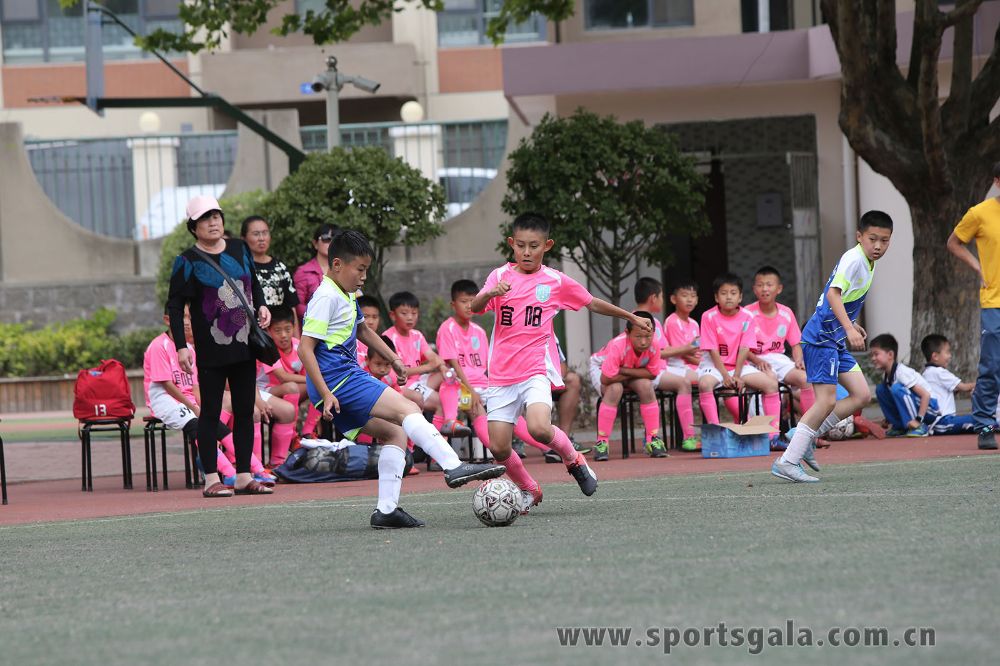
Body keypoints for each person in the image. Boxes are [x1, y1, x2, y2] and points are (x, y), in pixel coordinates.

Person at [297, 229, 506, 529]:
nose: (363, 277)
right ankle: (453, 465)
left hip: (338, 383)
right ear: (338, 264)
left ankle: (386, 511)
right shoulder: (326, 296)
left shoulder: (345, 292)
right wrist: (326, 392)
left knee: (396, 433)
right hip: (339, 380)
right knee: (409, 409)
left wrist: (394, 359)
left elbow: (363, 330)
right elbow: (305, 348)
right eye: (360, 269)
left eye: (367, 270)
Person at [471, 212, 653, 501]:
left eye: (534, 246)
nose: (526, 252)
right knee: (499, 447)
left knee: (539, 428)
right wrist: (490, 292)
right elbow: (475, 307)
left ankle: (574, 460)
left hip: (535, 370)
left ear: (547, 245)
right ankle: (529, 488)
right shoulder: (499, 276)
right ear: (511, 243)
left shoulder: (555, 281)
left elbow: (592, 303)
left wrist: (631, 316)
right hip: (501, 376)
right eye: (521, 245)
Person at [772, 210, 894, 483]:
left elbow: (842, 299)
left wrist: (851, 324)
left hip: (834, 339)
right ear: (859, 236)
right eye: (872, 239)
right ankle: (787, 461)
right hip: (821, 339)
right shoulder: (854, 259)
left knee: (861, 395)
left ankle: (804, 438)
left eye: (884, 241)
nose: (878, 245)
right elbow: (832, 294)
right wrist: (848, 328)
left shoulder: (867, 261)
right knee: (826, 401)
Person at [167, 194, 274, 497]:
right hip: (211, 348)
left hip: (245, 343)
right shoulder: (186, 261)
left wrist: (262, 305)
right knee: (211, 412)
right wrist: (181, 346)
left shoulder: (240, 249)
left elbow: (253, 283)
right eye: (205, 218)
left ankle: (243, 476)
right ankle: (211, 478)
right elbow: (175, 306)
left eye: (216, 216)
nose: (213, 222)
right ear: (193, 227)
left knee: (244, 410)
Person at [437, 279, 550, 508]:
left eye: (472, 301)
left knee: (510, 418)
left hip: (486, 384)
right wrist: (471, 390)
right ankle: (490, 450)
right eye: (464, 301)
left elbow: (489, 364)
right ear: (453, 304)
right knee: (478, 411)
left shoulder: (479, 331)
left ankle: (549, 446)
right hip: (460, 386)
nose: (469, 306)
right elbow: (453, 366)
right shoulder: (447, 328)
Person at [143, 305, 240, 487]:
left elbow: (194, 388)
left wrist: (205, 408)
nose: (187, 322)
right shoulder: (158, 346)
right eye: (182, 317)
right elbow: (167, 385)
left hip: (187, 401)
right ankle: (228, 473)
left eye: (189, 317)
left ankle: (251, 469)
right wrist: (194, 407)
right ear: (168, 320)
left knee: (214, 422)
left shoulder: (189, 349)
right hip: (164, 400)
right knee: (199, 426)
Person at [946, 164, 1000, 449]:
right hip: (994, 301)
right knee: (992, 366)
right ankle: (985, 426)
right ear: (997, 182)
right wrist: (977, 266)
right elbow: (954, 243)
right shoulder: (979, 213)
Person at [697, 273, 781, 437]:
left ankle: (773, 436)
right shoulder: (708, 316)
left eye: (733, 293)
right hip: (714, 367)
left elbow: (744, 348)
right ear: (716, 297)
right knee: (705, 384)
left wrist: (736, 375)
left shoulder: (747, 316)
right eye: (724, 293)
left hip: (740, 367)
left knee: (771, 385)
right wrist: (725, 376)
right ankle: (716, 433)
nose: (729, 297)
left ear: (740, 297)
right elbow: (712, 349)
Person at [383, 291, 469, 437]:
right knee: (441, 402)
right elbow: (396, 373)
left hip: (417, 381)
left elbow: (433, 356)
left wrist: (442, 366)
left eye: (414, 313)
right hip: (401, 384)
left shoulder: (417, 335)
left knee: (448, 374)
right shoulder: (388, 337)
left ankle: (450, 421)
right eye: (404, 313)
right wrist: (428, 367)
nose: (410, 317)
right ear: (392, 315)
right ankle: (439, 438)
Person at [589, 311, 667, 460]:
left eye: (648, 336)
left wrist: (625, 370)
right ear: (627, 332)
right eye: (638, 336)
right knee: (615, 389)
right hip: (602, 369)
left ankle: (652, 439)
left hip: (625, 370)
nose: (643, 342)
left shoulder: (654, 344)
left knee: (646, 386)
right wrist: (634, 372)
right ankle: (602, 442)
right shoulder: (618, 345)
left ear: (653, 332)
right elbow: (606, 379)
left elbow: (652, 374)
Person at [636, 277, 700, 451]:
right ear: (653, 298)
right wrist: (688, 348)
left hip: (654, 370)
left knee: (690, 382)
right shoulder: (647, 321)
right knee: (685, 383)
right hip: (650, 371)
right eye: (662, 296)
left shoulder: (644, 319)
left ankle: (678, 437)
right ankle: (687, 437)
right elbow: (661, 352)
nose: (662, 301)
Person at [745, 266, 814, 419]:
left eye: (769, 284)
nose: (765, 289)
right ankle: (771, 428)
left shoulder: (786, 312)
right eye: (760, 285)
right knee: (770, 379)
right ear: (754, 289)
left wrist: (798, 360)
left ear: (779, 288)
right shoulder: (747, 313)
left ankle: (810, 427)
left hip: (779, 359)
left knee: (805, 379)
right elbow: (742, 348)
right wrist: (757, 360)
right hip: (753, 361)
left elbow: (796, 344)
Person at [261, 305, 322, 461]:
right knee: (293, 386)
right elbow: (282, 377)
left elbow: (307, 373)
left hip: (288, 392)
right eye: (277, 331)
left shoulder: (298, 346)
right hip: (264, 391)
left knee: (320, 386)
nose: (283, 335)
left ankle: (308, 432)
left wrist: (314, 380)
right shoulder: (268, 348)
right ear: (268, 331)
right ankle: (293, 435)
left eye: (287, 329)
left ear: (294, 327)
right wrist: (312, 379)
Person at [868, 334, 940, 437]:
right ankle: (899, 426)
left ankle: (918, 426)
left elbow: (926, 395)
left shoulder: (902, 372)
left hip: (929, 408)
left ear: (890, 355)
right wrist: (889, 419)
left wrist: (918, 419)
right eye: (871, 355)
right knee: (881, 389)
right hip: (917, 405)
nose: (873, 358)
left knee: (897, 389)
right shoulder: (887, 376)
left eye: (876, 354)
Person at [242, 215, 299, 329]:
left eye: (265, 233)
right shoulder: (241, 268)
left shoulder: (280, 268)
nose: (261, 238)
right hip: (251, 332)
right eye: (256, 234)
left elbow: (291, 307)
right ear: (243, 238)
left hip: (279, 333)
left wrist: (296, 337)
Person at [920, 334, 978, 435]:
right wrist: (985, 383)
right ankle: (993, 428)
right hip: (943, 422)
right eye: (947, 352)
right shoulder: (939, 372)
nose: (950, 356)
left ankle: (990, 428)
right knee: (981, 420)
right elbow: (964, 387)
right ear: (935, 356)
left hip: (937, 423)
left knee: (977, 422)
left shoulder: (926, 373)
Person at [293, 223, 337, 324]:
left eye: (335, 240)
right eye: (326, 239)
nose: (331, 243)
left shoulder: (345, 270)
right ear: (315, 243)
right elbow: (298, 306)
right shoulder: (303, 271)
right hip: (312, 328)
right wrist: (321, 315)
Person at [355, 295, 382, 368]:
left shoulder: (383, 342)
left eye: (374, 317)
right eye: (365, 317)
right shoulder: (350, 343)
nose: (371, 322)